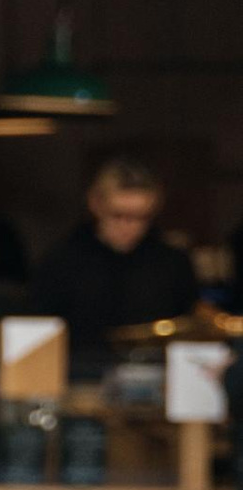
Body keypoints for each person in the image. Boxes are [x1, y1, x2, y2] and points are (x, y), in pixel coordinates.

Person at [30, 157, 200, 374]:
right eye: (118, 215)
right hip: (80, 382)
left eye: (141, 217)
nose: (129, 227)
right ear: (96, 205)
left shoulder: (172, 263)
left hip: (154, 379)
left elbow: (188, 330)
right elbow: (40, 338)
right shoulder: (62, 262)